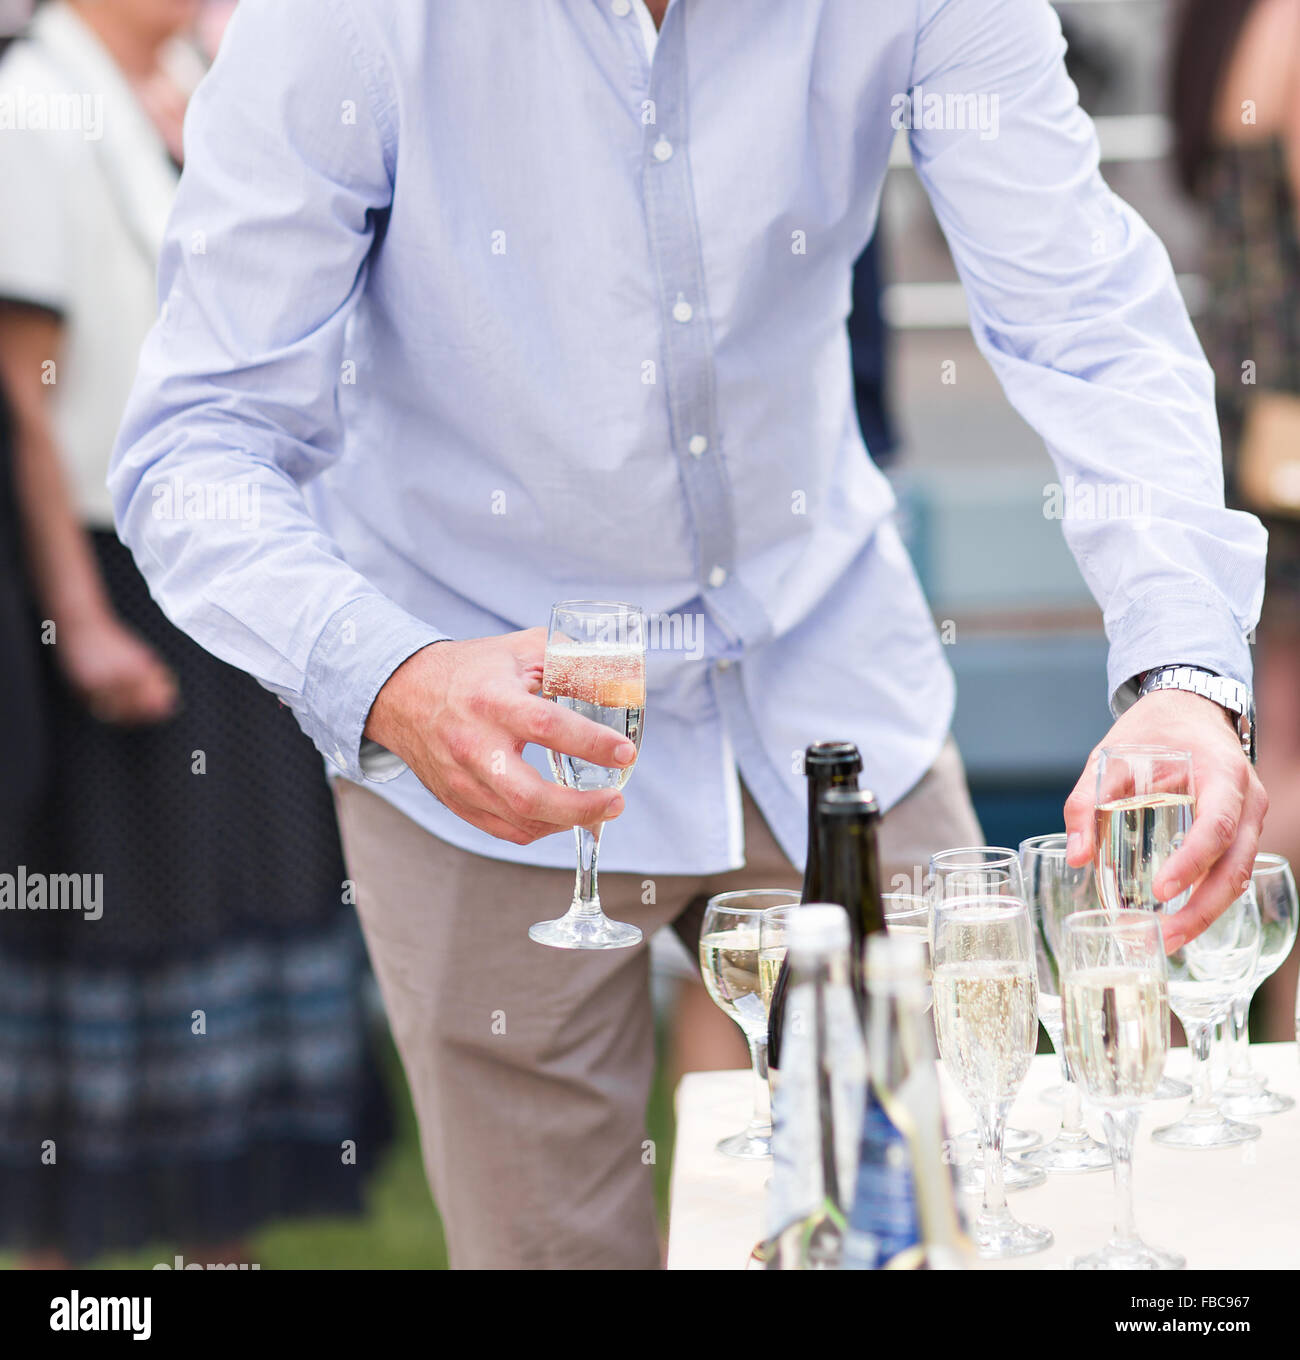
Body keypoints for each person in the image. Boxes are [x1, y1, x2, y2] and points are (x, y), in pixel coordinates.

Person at [111, 0, 1268, 1269]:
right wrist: (391, 678)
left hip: (828, 685)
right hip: (473, 725)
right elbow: (195, 446)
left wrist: (1180, 671)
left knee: (944, 1215)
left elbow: (1084, 319)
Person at [0, 0, 390, 1265]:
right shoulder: (30, 106)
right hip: (107, 583)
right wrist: (82, 620)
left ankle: (213, 1262)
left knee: (233, 946)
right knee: (108, 968)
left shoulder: (181, 87)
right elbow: (22, 394)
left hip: (214, 571)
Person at [1170, 0, 1300, 1038]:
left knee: (1271, 744)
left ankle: (1212, 1016)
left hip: (1250, 421)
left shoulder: (1224, 29)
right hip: (1289, 424)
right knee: (1290, 768)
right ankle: (1256, 1018)